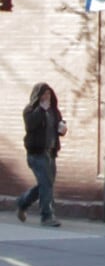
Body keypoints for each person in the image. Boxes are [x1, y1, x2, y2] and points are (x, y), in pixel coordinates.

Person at [15, 82, 67, 228]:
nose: (46, 97)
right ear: (37, 96)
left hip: (51, 153)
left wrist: (62, 129)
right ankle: (47, 216)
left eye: (48, 94)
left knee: (46, 185)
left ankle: (22, 202)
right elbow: (30, 125)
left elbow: (58, 127)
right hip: (36, 154)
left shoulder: (54, 111)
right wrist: (40, 111)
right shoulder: (30, 110)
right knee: (46, 185)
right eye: (43, 95)